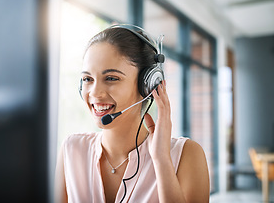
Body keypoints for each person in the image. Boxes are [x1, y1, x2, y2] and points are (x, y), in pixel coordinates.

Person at [55, 24, 210, 203]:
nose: (95, 93)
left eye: (111, 78)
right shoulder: (72, 149)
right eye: (87, 79)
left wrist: (161, 160)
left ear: (148, 85)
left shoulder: (186, 154)